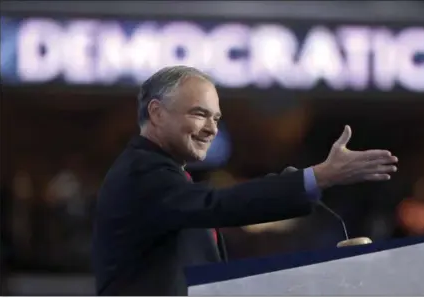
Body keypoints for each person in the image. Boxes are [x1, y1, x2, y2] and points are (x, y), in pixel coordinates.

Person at [91, 65, 398, 296]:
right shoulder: (142, 173)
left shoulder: (164, 175)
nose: (211, 129)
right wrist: (318, 177)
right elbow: (218, 204)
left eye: (216, 118)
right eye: (199, 114)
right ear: (156, 113)